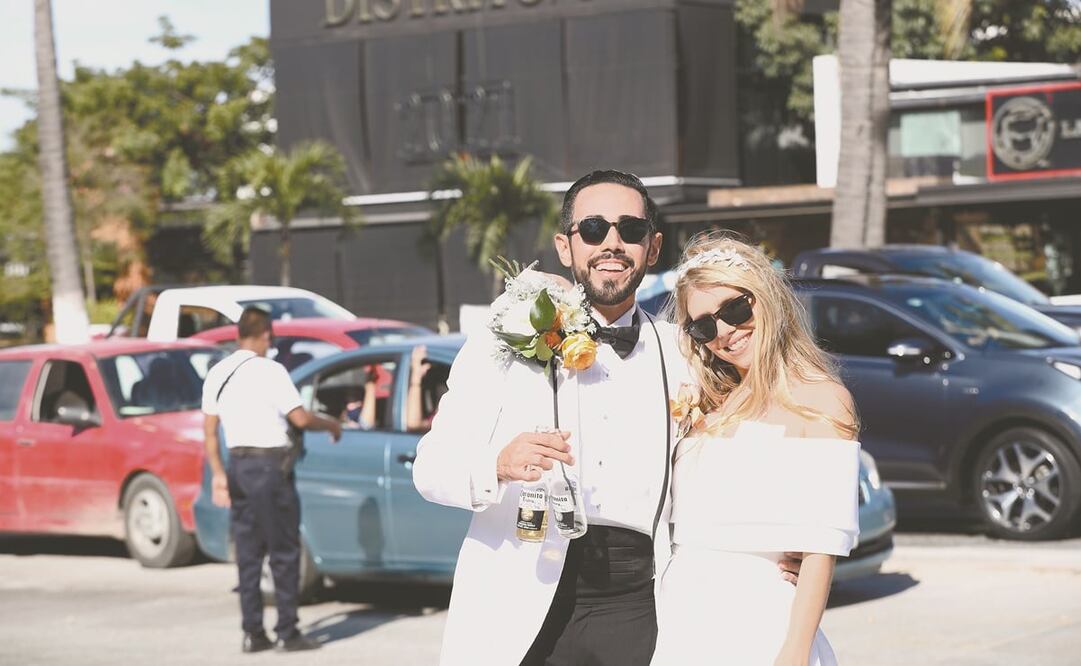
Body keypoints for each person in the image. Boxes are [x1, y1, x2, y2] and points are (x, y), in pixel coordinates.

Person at [412, 170, 802, 665]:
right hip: (524, 597)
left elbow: (743, 451)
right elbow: (430, 468)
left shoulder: (685, 354)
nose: (612, 243)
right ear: (565, 246)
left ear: (653, 247)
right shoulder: (504, 341)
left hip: (642, 603)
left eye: (631, 230)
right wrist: (498, 464)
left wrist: (783, 546)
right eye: (593, 229)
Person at [651, 233, 860, 665]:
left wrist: (796, 650)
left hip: (762, 625)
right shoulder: (707, 397)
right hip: (680, 621)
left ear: (765, 296)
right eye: (703, 326)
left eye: (735, 309)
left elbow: (822, 544)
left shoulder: (821, 398)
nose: (724, 332)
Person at [202, 307, 342, 654]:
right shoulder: (271, 371)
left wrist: (219, 475)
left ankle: (253, 633)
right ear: (266, 333)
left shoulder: (218, 373)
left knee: (248, 554)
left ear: (238, 334)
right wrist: (331, 424)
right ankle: (288, 632)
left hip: (238, 467)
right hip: (269, 468)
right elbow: (299, 417)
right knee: (283, 550)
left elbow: (208, 433)